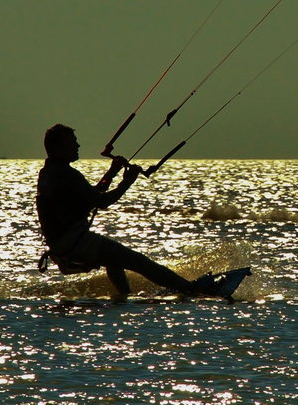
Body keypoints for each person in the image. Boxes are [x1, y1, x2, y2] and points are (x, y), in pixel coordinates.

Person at [36, 124, 244, 300]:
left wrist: (112, 173)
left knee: (114, 260)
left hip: (64, 243)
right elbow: (101, 202)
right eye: (72, 141)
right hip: (73, 242)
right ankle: (194, 291)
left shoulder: (49, 172)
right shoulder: (65, 173)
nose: (77, 145)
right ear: (57, 147)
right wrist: (126, 183)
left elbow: (90, 197)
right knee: (138, 261)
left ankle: (124, 297)